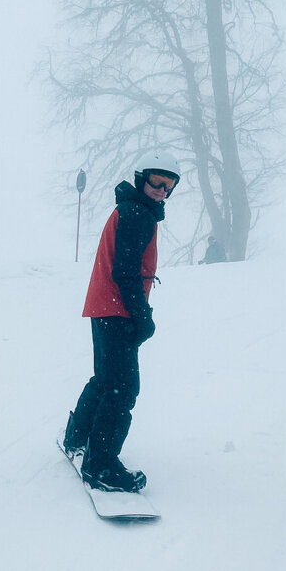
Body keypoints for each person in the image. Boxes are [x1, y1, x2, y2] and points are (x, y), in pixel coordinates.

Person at [62, 150, 181, 492]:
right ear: (142, 179)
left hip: (104, 308)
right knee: (123, 388)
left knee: (107, 379)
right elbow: (126, 272)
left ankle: (78, 436)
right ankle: (101, 466)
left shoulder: (130, 209)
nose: (162, 189)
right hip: (117, 310)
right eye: (156, 181)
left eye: (169, 184)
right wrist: (143, 318)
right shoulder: (137, 215)